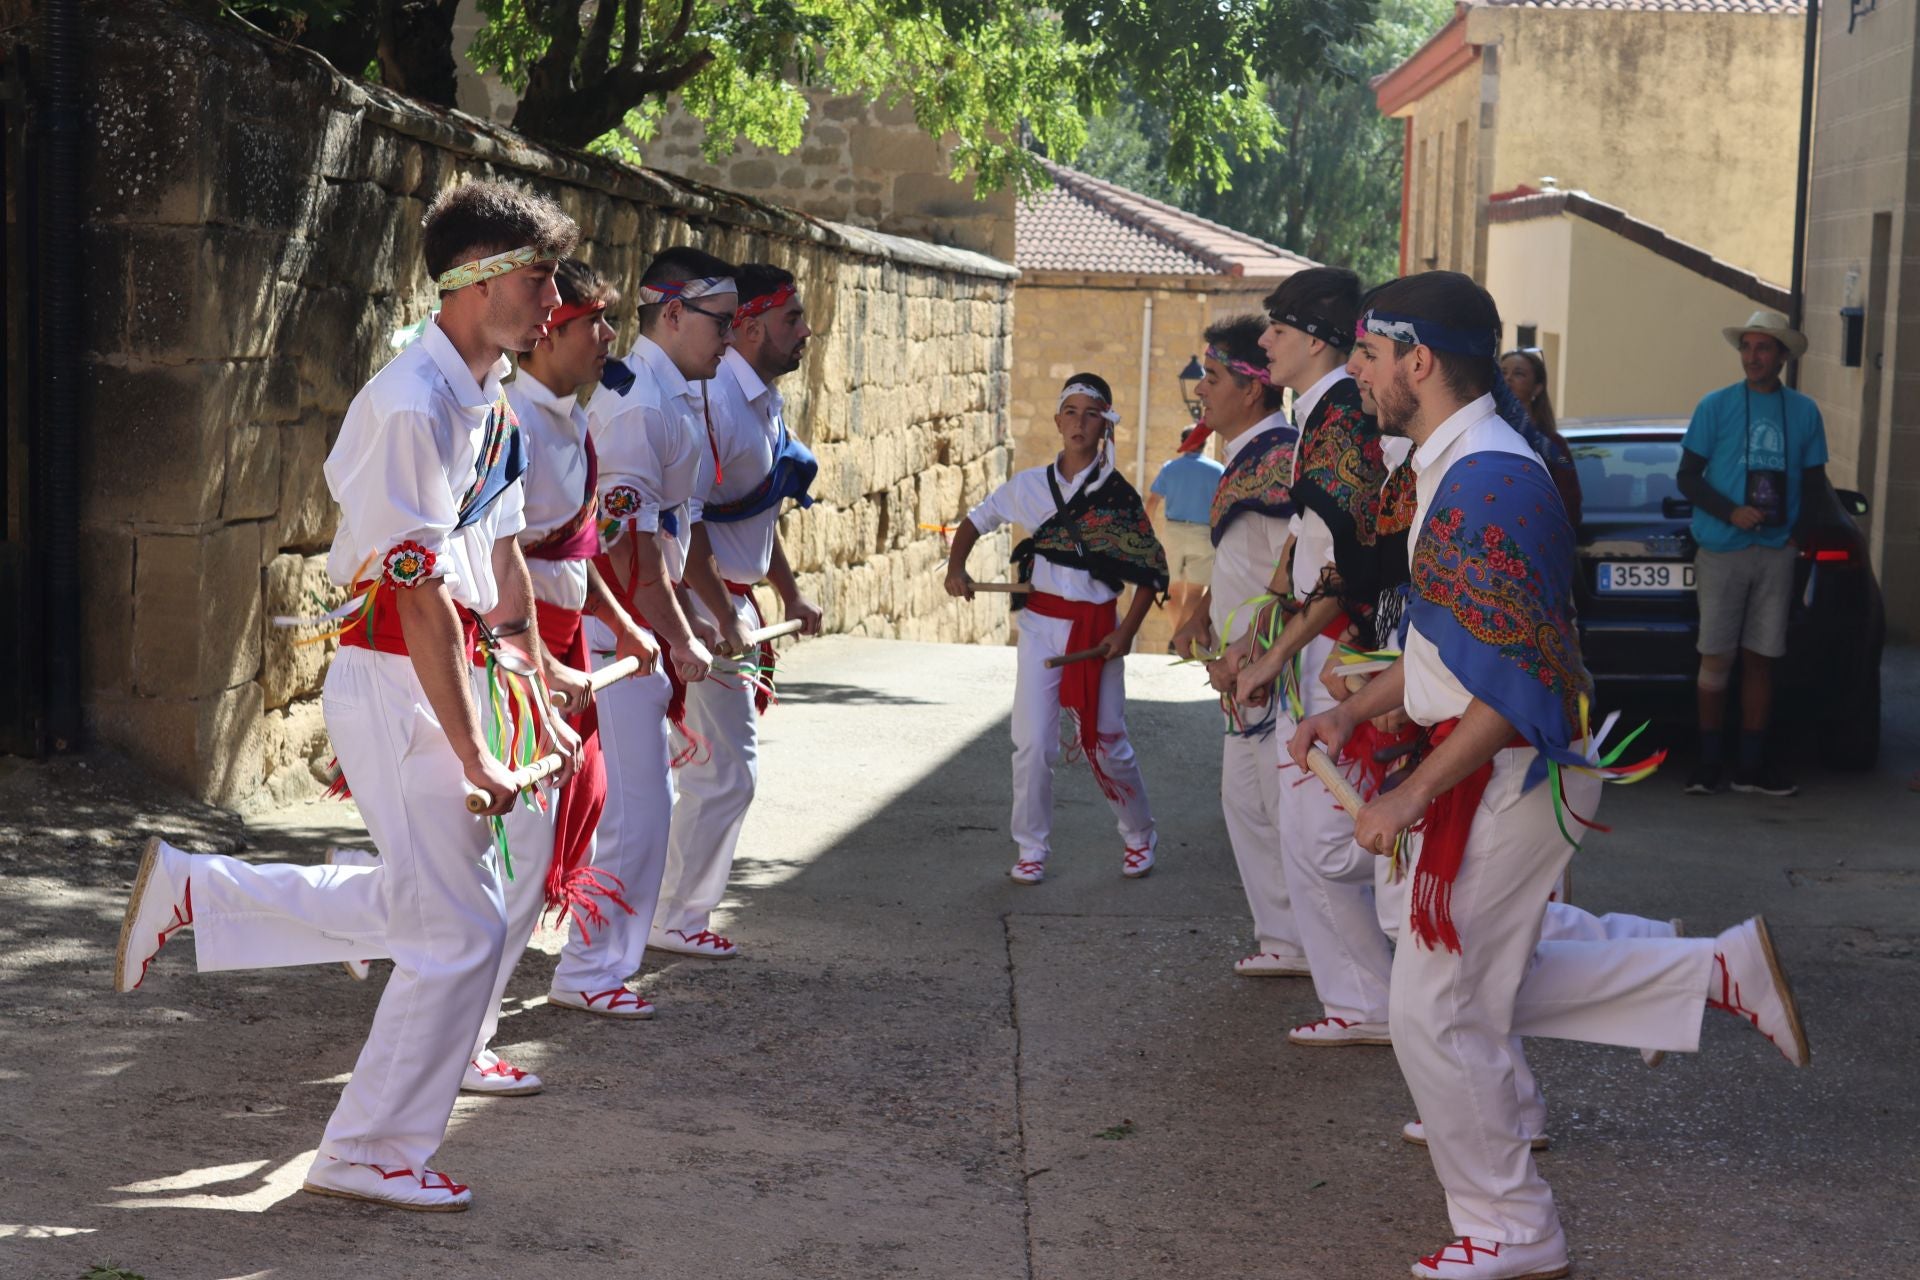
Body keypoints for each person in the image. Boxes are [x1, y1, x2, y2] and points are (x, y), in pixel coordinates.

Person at [1291, 271, 1810, 1280]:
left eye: (1368, 352)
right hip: (1497, 765)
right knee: (1474, 976)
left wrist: (1408, 791)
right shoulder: (1459, 464)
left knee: (1435, 1008)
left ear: (1419, 361)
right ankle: (1703, 971)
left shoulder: (1488, 479)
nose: (1355, 370)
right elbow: (1451, 647)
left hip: (1510, 771)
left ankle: (1515, 1226)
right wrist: (1351, 709)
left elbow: (1519, 681)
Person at [115, 181, 587, 1211]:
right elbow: (417, 596)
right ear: (475, 281)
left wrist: (530, 679)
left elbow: (496, 550)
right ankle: (366, 1149)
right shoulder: (412, 403)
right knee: (459, 931)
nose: (555, 301)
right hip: (396, 677)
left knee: (430, 910)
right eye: (540, 277)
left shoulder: (489, 392)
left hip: (444, 670)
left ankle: (200, 891)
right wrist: (475, 751)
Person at [544, 246, 733, 1009]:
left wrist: (690, 617)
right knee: (630, 818)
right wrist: (675, 633)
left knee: (609, 815)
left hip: (626, 633)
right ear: (676, 313)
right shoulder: (640, 406)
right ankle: (589, 970)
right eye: (722, 322)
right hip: (607, 640)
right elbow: (624, 550)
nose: (731, 337)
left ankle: (371, 886)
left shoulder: (668, 394)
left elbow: (666, 533)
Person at [1220, 268, 1398, 1041]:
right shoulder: (1321, 414)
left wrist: (1274, 653)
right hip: (1315, 653)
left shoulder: (1343, 418)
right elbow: (1304, 544)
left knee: (1328, 840)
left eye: (1279, 329)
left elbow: (1352, 567)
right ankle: (1363, 1001)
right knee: (1308, 834)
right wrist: (1259, 635)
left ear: (1319, 342)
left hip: (1339, 659)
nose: (1264, 341)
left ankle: (1381, 994)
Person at [652, 263, 824, 960]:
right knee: (724, 772)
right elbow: (685, 522)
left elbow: (756, 513)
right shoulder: (717, 403)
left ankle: (661, 909)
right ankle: (674, 916)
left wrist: (789, 592)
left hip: (723, 604)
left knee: (694, 769)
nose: (806, 331)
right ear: (750, 327)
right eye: (792, 319)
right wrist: (723, 617)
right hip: (698, 605)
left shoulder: (761, 399)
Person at [945, 373, 1168, 884]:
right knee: (1032, 743)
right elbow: (977, 520)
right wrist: (957, 568)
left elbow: (1151, 572)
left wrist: (1126, 634)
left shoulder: (1118, 498)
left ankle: (1139, 834)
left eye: (1091, 413)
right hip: (1040, 627)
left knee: (1108, 740)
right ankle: (1031, 848)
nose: (1079, 422)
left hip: (1098, 631)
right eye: (1071, 411)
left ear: (1106, 425)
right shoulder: (1028, 486)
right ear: (1057, 421)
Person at [1166, 317, 1309, 979]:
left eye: (1213, 376)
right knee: (1247, 805)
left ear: (1252, 388)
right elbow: (1241, 557)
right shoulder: (1249, 456)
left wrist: (1253, 650)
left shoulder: (1279, 458)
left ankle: (1326, 948)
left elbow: (1298, 567)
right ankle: (1285, 940)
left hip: (1277, 669)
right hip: (1243, 669)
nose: (1201, 389)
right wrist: (1198, 612)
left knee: (1287, 811)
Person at [1676, 309, 1828, 798]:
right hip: (1722, 549)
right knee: (1715, 658)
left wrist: (1796, 536)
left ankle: (1751, 766)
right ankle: (1707, 764)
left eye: (1763, 348)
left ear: (1782, 355)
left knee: (1762, 658)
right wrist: (1731, 512)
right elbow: (1688, 477)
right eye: (1747, 346)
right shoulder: (1715, 406)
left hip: (1776, 552)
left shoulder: (1804, 412)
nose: (1752, 356)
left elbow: (1815, 484)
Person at [1147, 425, 1224, 637]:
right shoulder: (1218, 470)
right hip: (1202, 534)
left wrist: (1147, 535)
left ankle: (1177, 637)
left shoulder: (1170, 468)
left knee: (1172, 590)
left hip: (1174, 532)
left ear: (1183, 442)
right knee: (1196, 592)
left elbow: (1152, 501)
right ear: (1204, 444)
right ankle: (1181, 639)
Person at [1499, 348, 1581, 524]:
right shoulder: (1485, 436)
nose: (1508, 378)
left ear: (1537, 388)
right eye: (1503, 372)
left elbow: (1569, 503)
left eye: (1518, 374)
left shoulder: (1553, 447)